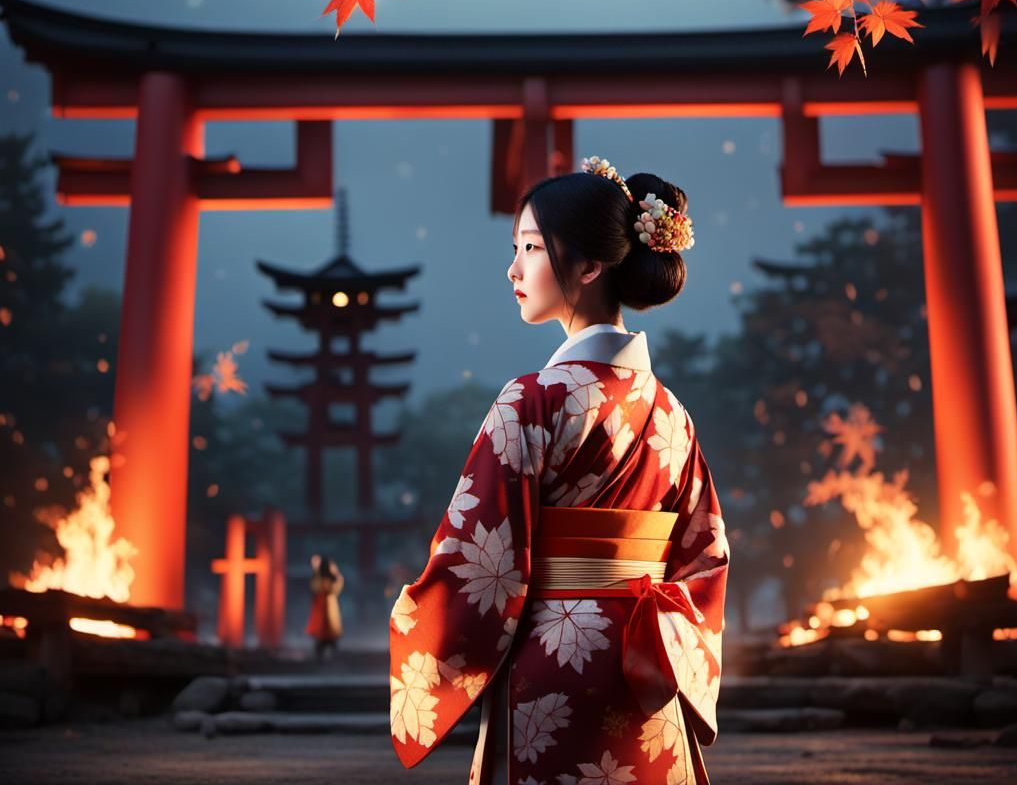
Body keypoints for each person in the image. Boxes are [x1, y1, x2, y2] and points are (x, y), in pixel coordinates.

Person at [388, 155, 729, 785]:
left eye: (531, 248)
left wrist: (418, 613)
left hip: (551, 657)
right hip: (647, 660)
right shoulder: (672, 413)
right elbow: (705, 556)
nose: (513, 269)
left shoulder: (532, 400)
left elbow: (478, 556)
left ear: (589, 266)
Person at [306, 554, 343, 661]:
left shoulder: (328, 579)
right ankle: (322, 655)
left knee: (328, 635)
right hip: (322, 608)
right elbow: (316, 588)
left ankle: (328, 655)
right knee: (323, 635)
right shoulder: (319, 578)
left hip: (327, 607)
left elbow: (335, 588)